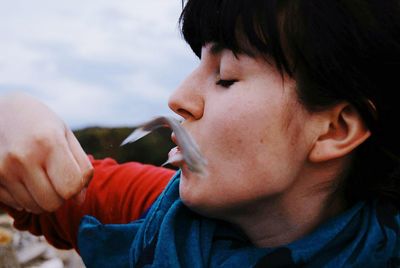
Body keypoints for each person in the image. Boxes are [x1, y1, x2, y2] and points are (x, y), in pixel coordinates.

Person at [0, 0, 399, 267]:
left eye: (225, 77)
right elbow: (34, 180)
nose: (178, 98)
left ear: (335, 129)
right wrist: (10, 115)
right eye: (197, 63)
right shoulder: (154, 206)